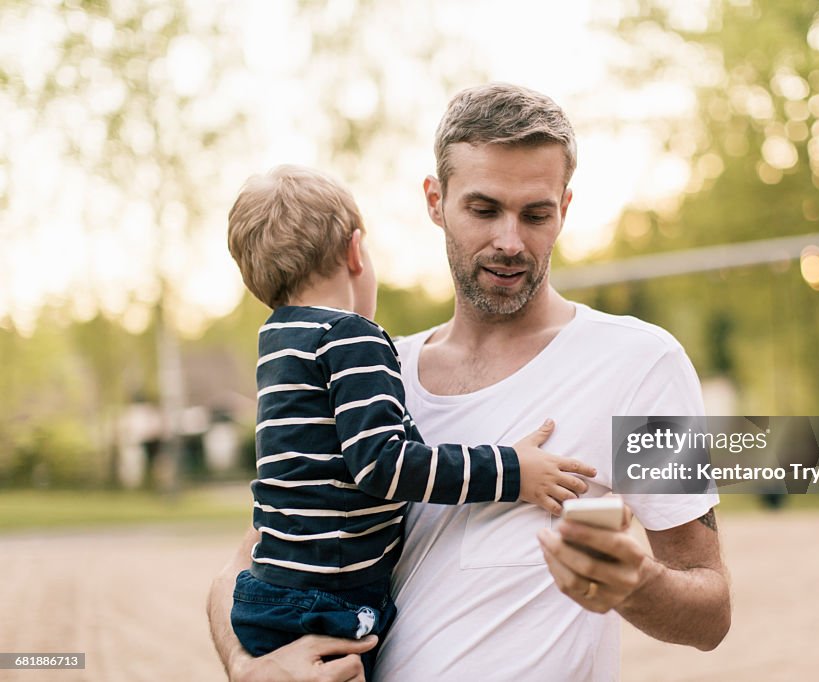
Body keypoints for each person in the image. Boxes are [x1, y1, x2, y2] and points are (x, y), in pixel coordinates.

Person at [208, 83, 731, 682]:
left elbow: (710, 610)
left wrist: (637, 585)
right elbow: (243, 567)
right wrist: (249, 667)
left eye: (536, 214)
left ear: (565, 207)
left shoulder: (643, 363)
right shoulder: (369, 371)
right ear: (436, 201)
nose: (510, 241)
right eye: (484, 210)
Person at [221, 164, 597, 677]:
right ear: (355, 251)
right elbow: (383, 465)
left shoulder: (278, 345)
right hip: (329, 602)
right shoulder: (354, 337)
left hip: (270, 595)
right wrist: (512, 472)